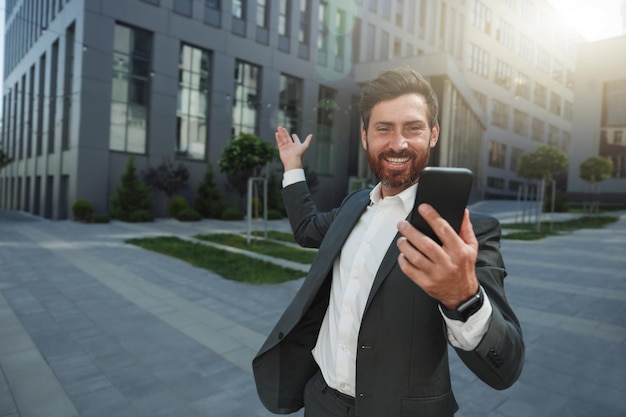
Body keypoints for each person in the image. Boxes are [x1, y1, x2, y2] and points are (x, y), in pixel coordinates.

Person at [252, 67, 524, 417]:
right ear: (365, 136)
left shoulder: (462, 232)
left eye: (413, 128)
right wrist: (292, 166)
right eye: (384, 129)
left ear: (433, 134)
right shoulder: (353, 205)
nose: (398, 143)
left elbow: (506, 366)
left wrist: (464, 297)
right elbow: (306, 228)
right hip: (320, 401)